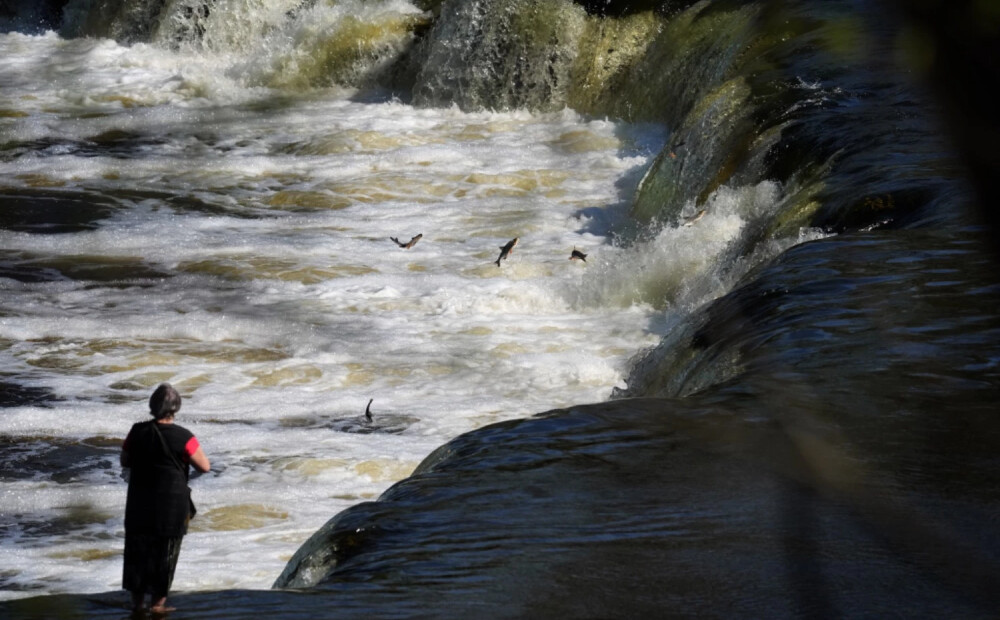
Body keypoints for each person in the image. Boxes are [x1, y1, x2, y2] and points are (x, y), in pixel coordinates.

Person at [120, 383, 210, 615]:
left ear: (152, 406)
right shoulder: (184, 436)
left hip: (139, 503)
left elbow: (125, 460)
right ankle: (158, 605)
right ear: (176, 408)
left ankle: (137, 604)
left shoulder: (137, 432)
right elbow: (205, 466)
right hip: (171, 507)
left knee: (137, 552)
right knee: (165, 554)